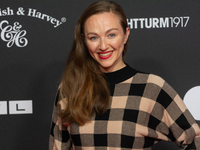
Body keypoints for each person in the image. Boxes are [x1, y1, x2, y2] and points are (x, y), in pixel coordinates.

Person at [49, 1, 200, 149]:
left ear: (126, 34)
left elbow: (195, 140)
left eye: (111, 35)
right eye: (93, 37)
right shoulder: (70, 89)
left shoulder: (151, 88)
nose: (103, 46)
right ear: (84, 40)